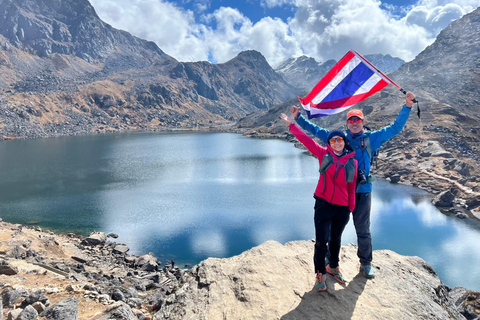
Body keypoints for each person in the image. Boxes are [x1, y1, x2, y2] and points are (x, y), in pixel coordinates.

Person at [290, 92, 416, 278]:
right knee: (334, 229)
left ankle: (365, 262)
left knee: (363, 229)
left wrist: (407, 106)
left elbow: (395, 128)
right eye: (351, 120)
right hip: (340, 193)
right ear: (347, 123)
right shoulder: (339, 139)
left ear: (363, 122)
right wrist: (298, 118)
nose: (355, 123)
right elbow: (316, 131)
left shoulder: (372, 138)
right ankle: (330, 261)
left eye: (358, 120)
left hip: (362, 191)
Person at [280, 113, 358, 292]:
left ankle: (333, 267)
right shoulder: (324, 155)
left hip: (342, 208)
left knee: (336, 239)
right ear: (329, 144)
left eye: (340, 140)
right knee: (321, 241)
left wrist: (350, 208)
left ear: (345, 142)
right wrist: (292, 126)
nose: (337, 143)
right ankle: (320, 272)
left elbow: (351, 187)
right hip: (323, 204)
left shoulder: (352, 162)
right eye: (333, 140)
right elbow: (307, 140)